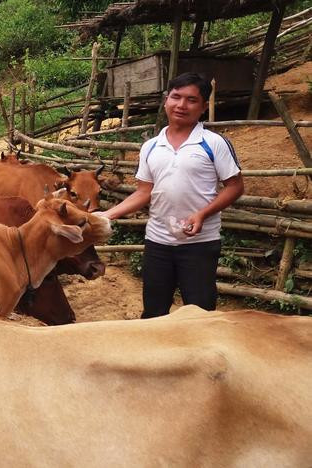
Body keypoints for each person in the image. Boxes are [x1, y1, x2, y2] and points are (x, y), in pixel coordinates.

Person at [100, 72, 244, 318]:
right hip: (157, 242)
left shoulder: (213, 142)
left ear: (202, 106)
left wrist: (201, 214)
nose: (181, 105)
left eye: (191, 100)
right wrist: (106, 214)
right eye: (176, 97)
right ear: (166, 100)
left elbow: (235, 186)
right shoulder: (151, 146)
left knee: (199, 313)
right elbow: (144, 192)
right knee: (154, 312)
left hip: (199, 244)